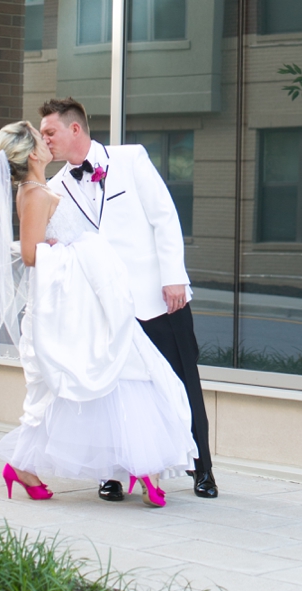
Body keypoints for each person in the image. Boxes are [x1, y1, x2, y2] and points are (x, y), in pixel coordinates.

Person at [0, 121, 197, 508]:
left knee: (122, 372)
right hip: (61, 308)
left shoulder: (45, 188)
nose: (47, 143)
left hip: (83, 301)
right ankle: (27, 465)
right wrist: (77, 249)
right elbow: (32, 255)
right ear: (32, 154)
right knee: (78, 383)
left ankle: (138, 463)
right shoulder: (34, 193)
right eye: (40, 138)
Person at [38, 97, 218, 500]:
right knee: (110, 389)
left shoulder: (131, 158)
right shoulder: (54, 188)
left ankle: (201, 468)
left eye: (50, 132)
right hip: (102, 306)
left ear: (75, 129)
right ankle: (113, 472)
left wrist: (174, 277)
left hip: (156, 297)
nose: (45, 139)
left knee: (182, 380)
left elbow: (164, 216)